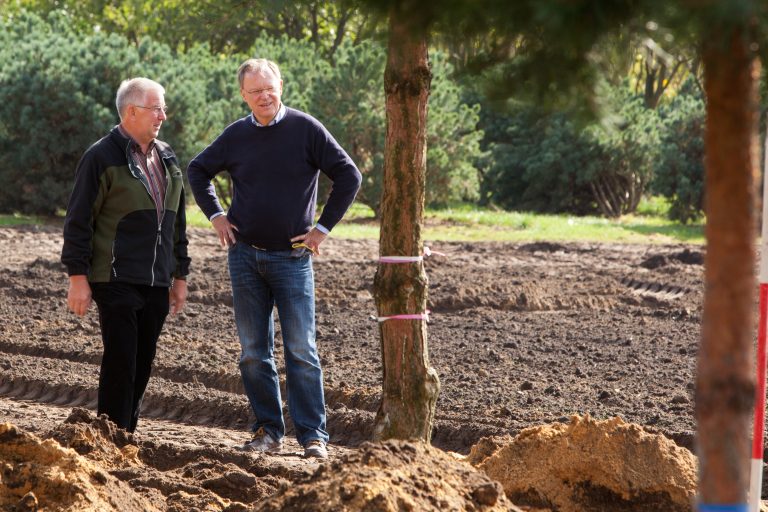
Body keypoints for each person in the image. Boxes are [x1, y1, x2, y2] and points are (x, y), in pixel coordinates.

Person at [187, 58, 361, 459]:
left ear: (281, 85)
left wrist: (322, 228)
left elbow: (349, 175)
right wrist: (216, 216)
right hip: (244, 256)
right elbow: (198, 170)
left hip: (293, 258)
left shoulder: (305, 129)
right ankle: (267, 430)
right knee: (252, 351)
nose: (265, 96)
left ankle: (313, 436)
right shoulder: (235, 136)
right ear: (243, 95)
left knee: (302, 349)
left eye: (270, 88)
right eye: (255, 91)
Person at [61, 77, 190, 433]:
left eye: (163, 107)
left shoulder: (168, 157)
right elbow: (78, 221)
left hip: (157, 280)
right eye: (156, 108)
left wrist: (179, 276)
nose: (163, 115)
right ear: (131, 111)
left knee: (143, 363)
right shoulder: (100, 157)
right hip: (114, 278)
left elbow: (177, 222)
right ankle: (109, 437)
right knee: (122, 361)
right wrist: (77, 278)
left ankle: (124, 435)